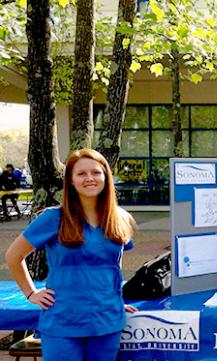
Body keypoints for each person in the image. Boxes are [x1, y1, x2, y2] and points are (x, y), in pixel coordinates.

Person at [5, 149, 138, 361]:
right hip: (63, 323)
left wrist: (114, 299)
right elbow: (13, 256)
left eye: (96, 172)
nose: (89, 178)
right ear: (71, 181)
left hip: (107, 322)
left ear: (106, 177)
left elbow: (113, 264)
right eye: (81, 174)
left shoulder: (120, 218)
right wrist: (31, 293)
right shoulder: (53, 218)